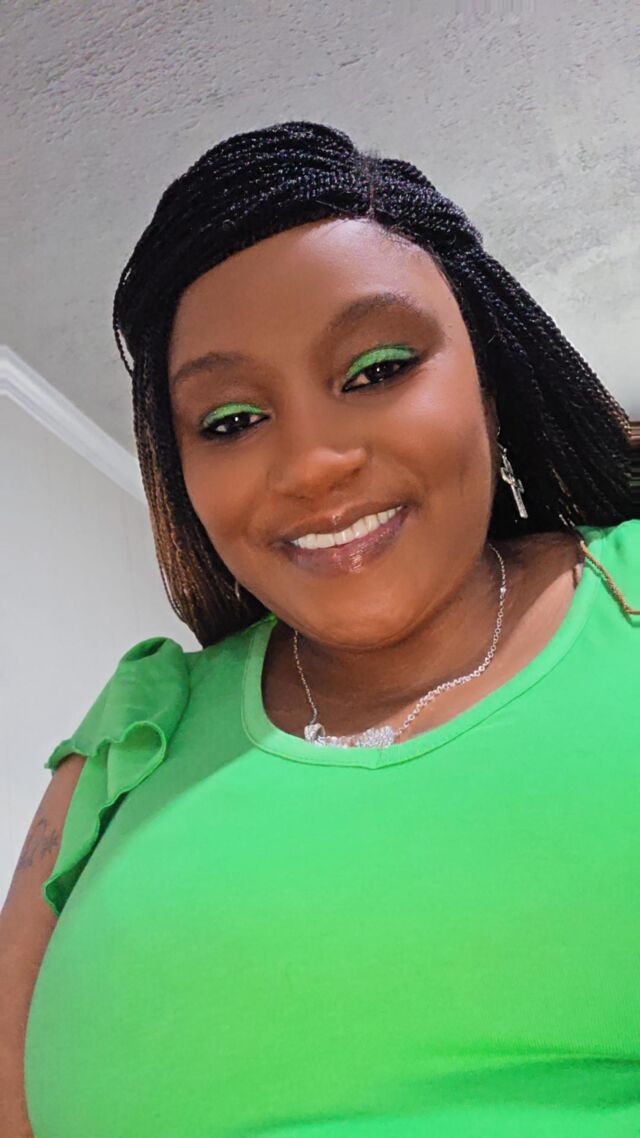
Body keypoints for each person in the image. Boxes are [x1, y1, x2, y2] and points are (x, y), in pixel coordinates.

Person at [1, 121, 638, 1138]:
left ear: (486, 372)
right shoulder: (133, 733)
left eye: (376, 368)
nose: (311, 464)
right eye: (231, 421)